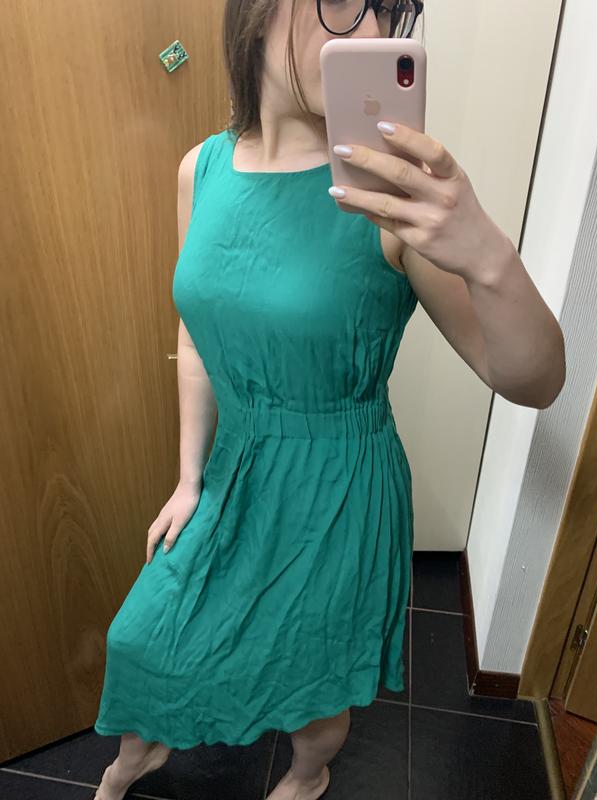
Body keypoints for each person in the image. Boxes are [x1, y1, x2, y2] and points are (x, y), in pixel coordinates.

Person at [93, 1, 566, 799]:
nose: (374, 34)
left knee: (313, 673)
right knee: (147, 634)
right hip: (237, 465)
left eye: (390, 12)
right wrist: (188, 479)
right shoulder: (200, 169)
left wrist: (487, 255)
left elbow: (532, 380)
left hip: (341, 482)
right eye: (347, 3)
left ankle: (308, 776)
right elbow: (198, 335)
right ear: (256, 11)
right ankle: (141, 749)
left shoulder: (389, 195)